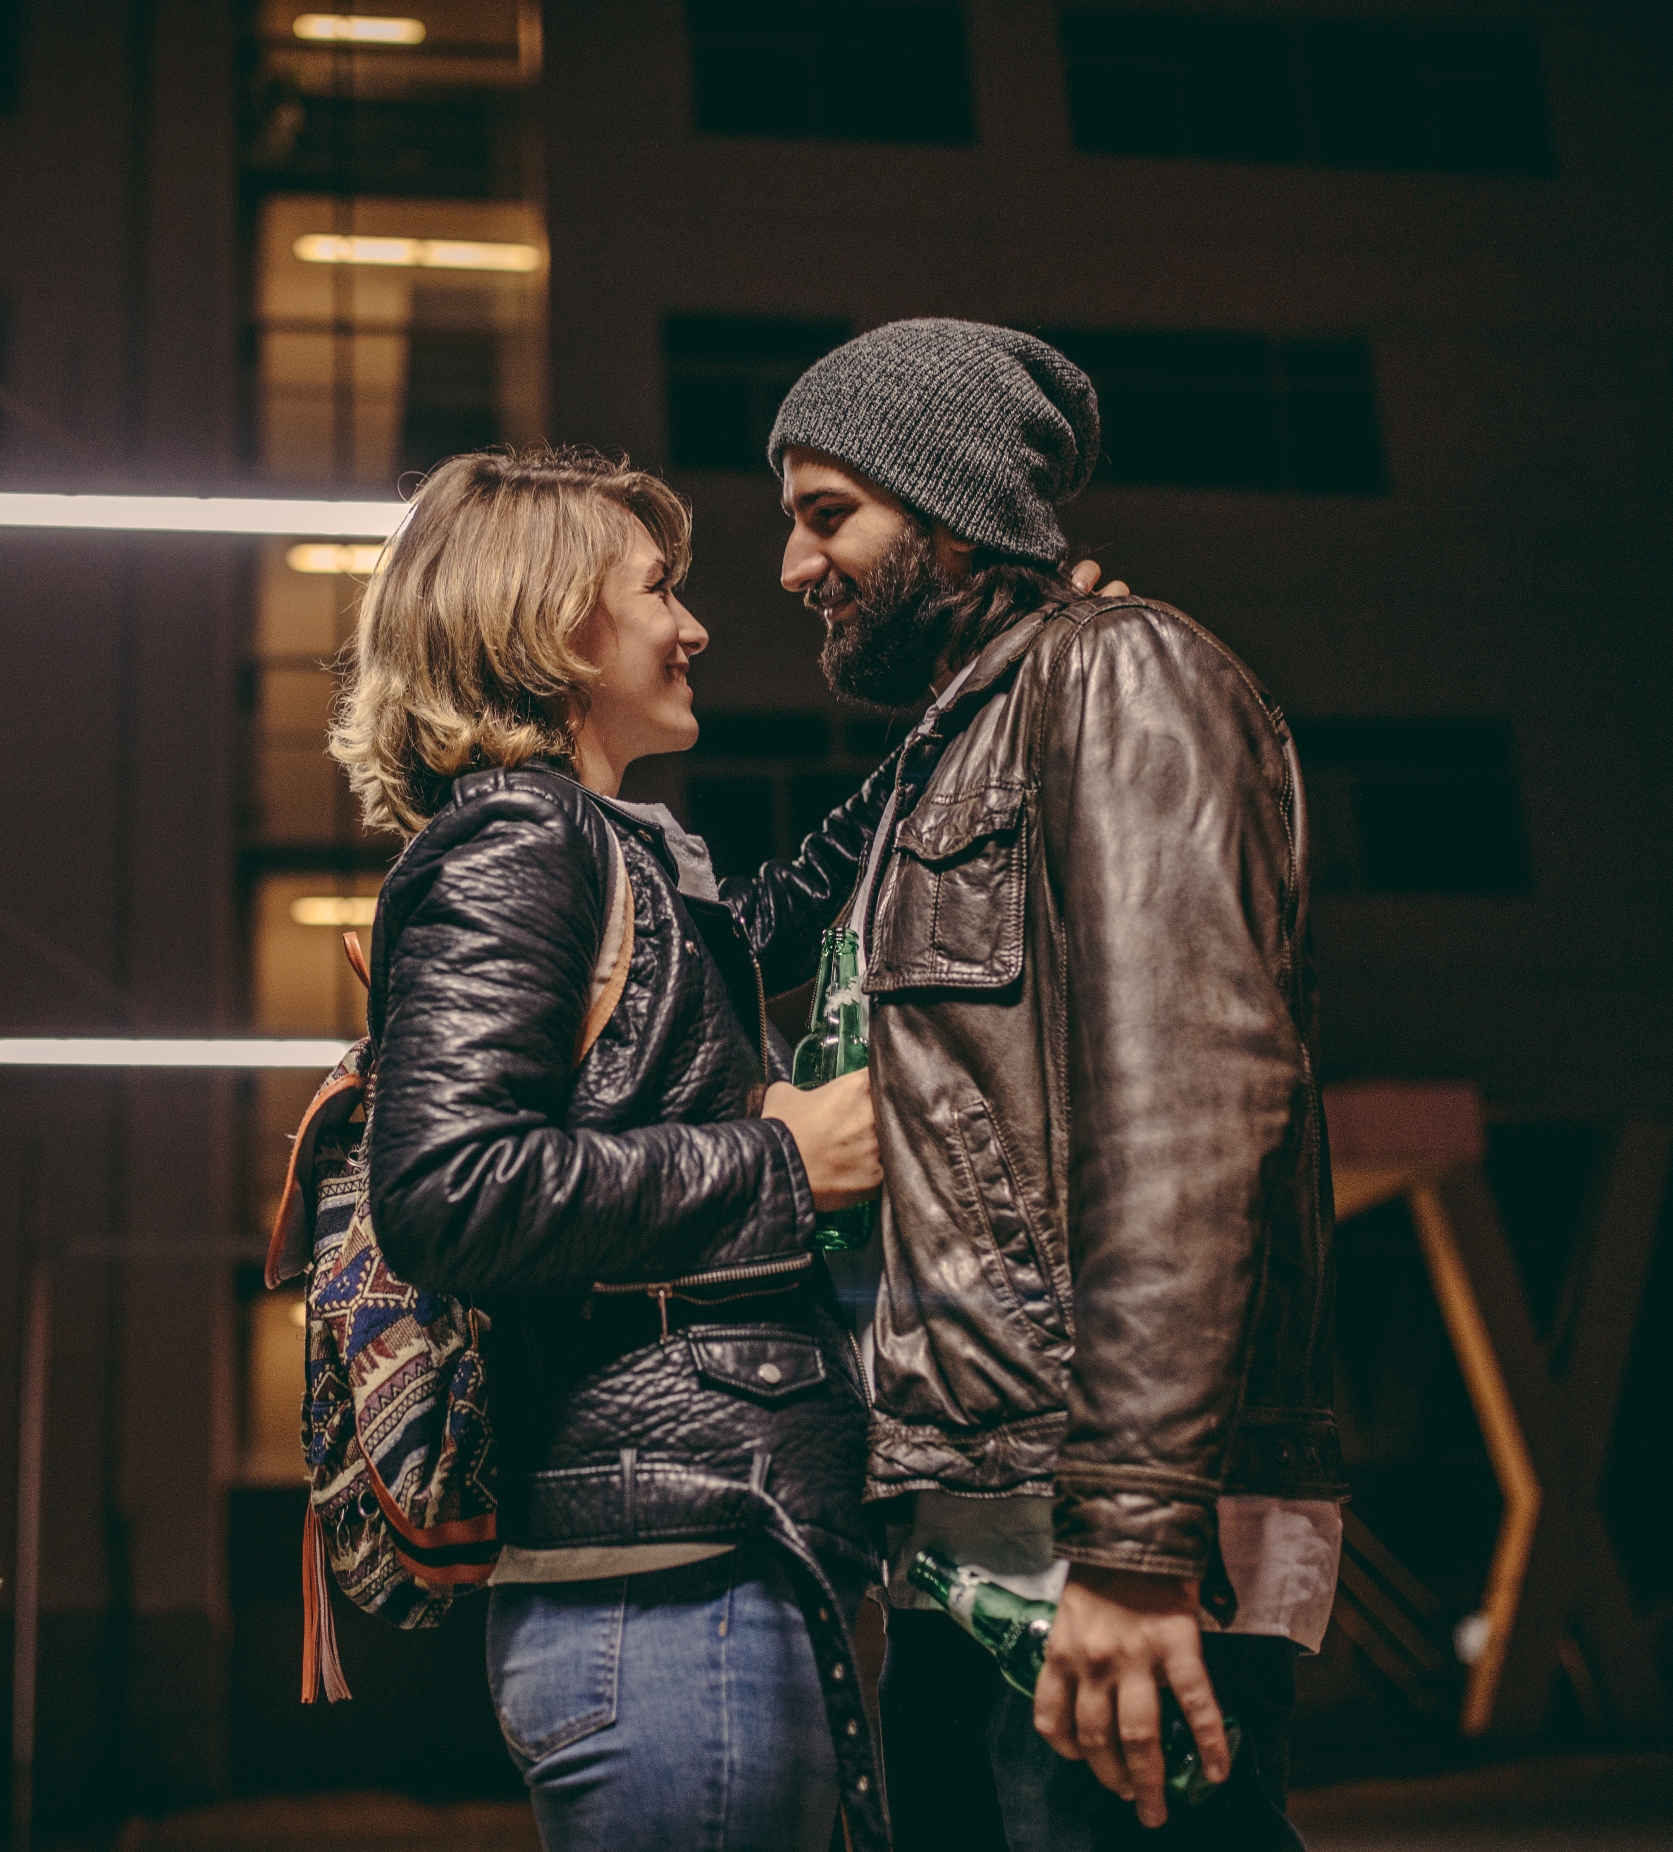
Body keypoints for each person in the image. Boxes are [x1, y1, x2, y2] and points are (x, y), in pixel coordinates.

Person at [765, 320, 1344, 1849]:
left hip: (1094, 1547)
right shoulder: (953, 751)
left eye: (828, 515)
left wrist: (1134, 1543)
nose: (793, 566)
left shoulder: (1118, 673)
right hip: (975, 1539)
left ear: (954, 514)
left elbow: (1187, 1117)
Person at [328, 448, 897, 1852]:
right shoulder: (520, 842)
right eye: (657, 591)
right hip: (660, 1594)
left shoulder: (606, 848)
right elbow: (446, 1192)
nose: (693, 626)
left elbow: (768, 918)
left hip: (694, 1567)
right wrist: (780, 1164)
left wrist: (975, 713)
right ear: (553, 623)